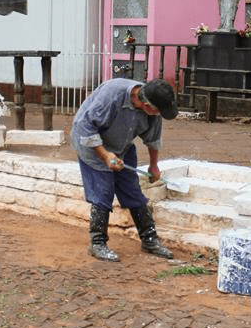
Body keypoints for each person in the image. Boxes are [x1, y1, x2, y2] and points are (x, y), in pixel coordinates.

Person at [71, 78, 178, 262]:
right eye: (157, 112)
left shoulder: (154, 108)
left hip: (122, 145)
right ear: (146, 105)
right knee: (103, 192)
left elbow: (153, 138)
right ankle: (97, 244)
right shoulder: (112, 95)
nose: (157, 115)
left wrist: (154, 165)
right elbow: (85, 126)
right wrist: (105, 155)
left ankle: (149, 240)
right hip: (92, 144)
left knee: (132, 190)